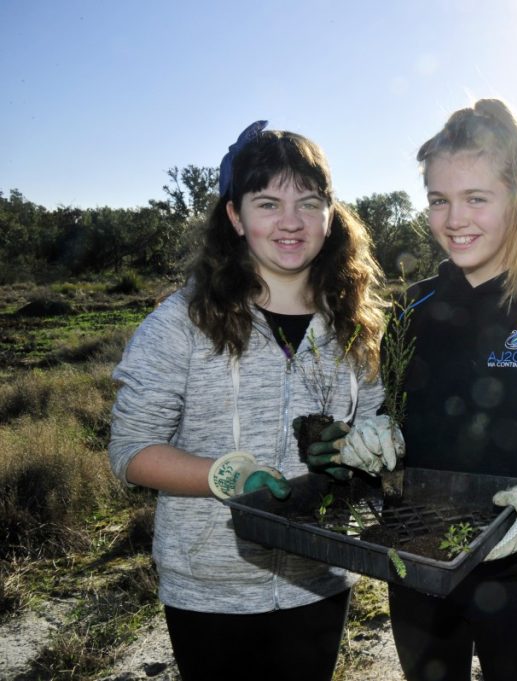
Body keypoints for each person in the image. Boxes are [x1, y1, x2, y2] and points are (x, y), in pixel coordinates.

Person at [310, 99, 517, 680]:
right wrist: (379, 435)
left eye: (476, 198)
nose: (453, 219)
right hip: (416, 565)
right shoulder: (413, 306)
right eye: (438, 200)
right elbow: (398, 410)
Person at [108, 121, 397, 681]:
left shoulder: (357, 325)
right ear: (236, 217)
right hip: (209, 588)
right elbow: (132, 450)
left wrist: (361, 452)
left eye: (308, 203)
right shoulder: (181, 323)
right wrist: (230, 476)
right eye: (267, 203)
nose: (290, 221)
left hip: (319, 577)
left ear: (330, 215)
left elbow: (376, 426)